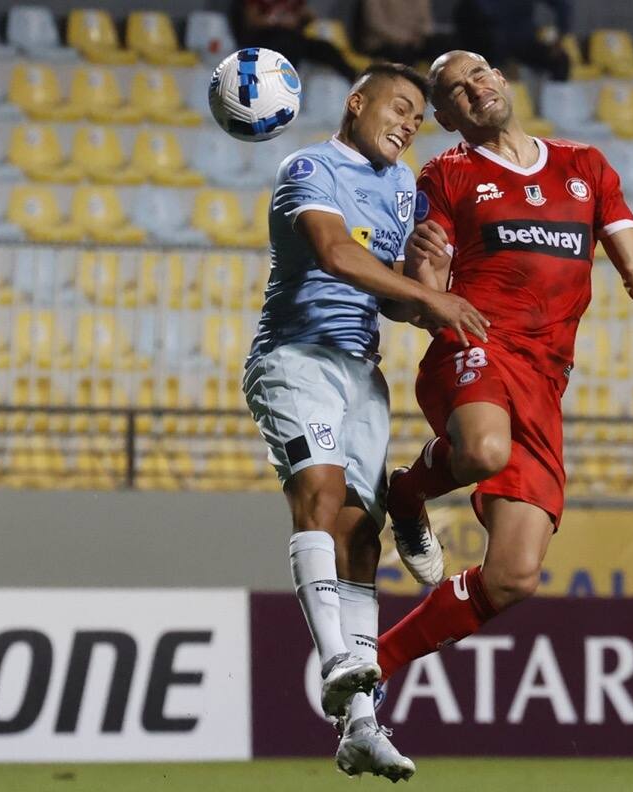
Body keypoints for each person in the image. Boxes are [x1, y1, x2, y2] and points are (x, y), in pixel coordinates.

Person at [374, 50, 633, 684]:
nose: (475, 90)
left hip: (545, 379)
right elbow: (426, 295)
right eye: (456, 90)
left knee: (514, 577)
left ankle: (373, 663)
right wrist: (420, 276)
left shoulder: (586, 167)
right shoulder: (445, 176)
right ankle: (407, 496)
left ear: (502, 78)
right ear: (444, 115)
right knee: (485, 450)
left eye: (480, 74)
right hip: (475, 347)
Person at [241, 61, 488, 781]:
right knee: (317, 494)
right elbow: (334, 252)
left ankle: (362, 726)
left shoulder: (403, 188)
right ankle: (339, 658)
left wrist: (427, 282)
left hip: (361, 371)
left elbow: (398, 303)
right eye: (401, 107)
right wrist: (431, 302)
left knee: (360, 535)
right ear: (357, 103)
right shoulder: (308, 166)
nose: (411, 124)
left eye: (419, 118)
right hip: (295, 356)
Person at [231, 0, 357, 82]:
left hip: (293, 37)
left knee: (325, 48)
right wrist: (277, 22)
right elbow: (251, 22)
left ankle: (356, 80)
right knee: (287, 43)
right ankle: (283, 87)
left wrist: (302, 18)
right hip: (262, 38)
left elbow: (307, 16)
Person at [452, 0, 572, 81]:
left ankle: (555, 111)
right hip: (489, 46)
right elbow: (464, 20)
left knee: (560, 60)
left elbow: (562, 6)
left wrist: (559, 37)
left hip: (523, 42)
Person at [355, 0, 454, 66]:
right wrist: (404, 38)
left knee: (444, 45)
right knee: (402, 54)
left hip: (415, 40)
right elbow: (376, 24)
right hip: (382, 43)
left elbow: (426, 22)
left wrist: (421, 35)